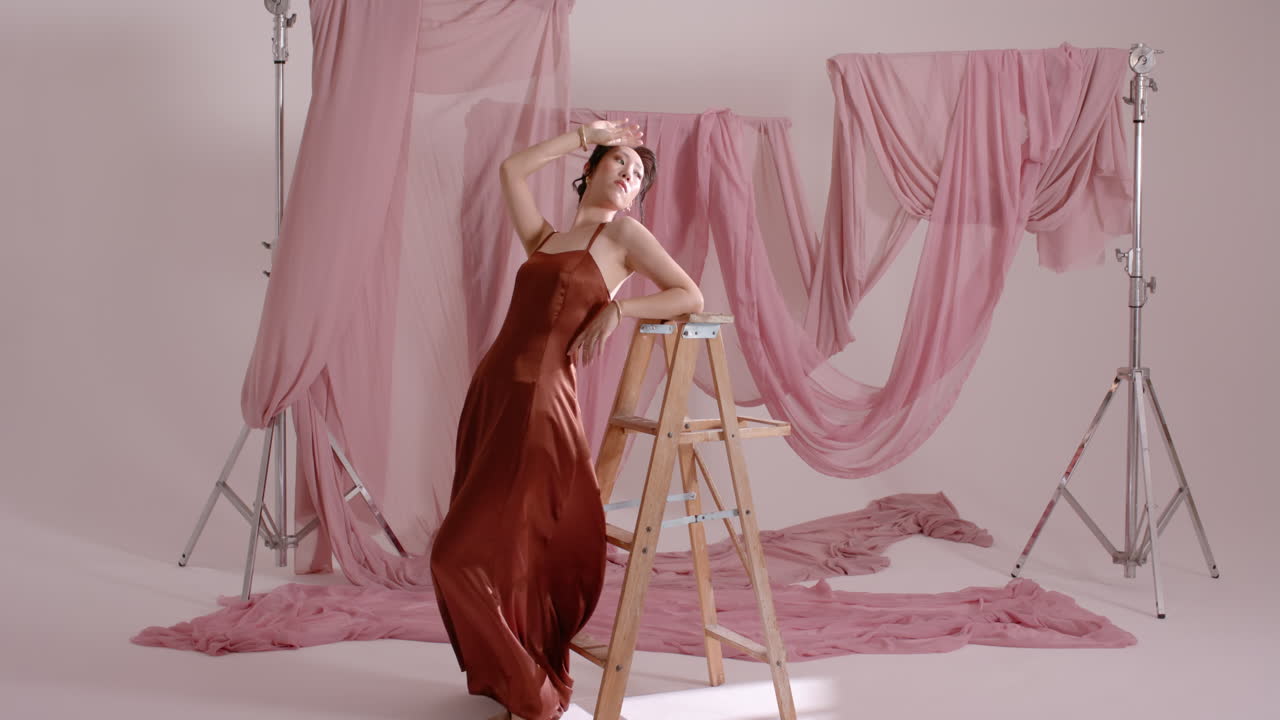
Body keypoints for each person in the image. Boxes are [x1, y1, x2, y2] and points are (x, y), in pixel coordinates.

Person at [430, 119, 704, 720]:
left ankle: (534, 692)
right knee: (502, 547)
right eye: (619, 163)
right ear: (591, 169)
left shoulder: (624, 235)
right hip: (496, 391)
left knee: (455, 554)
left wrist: (620, 307)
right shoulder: (547, 240)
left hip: (540, 399)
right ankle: (513, 678)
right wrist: (580, 135)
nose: (629, 177)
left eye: (637, 176)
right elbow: (510, 172)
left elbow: (690, 294)